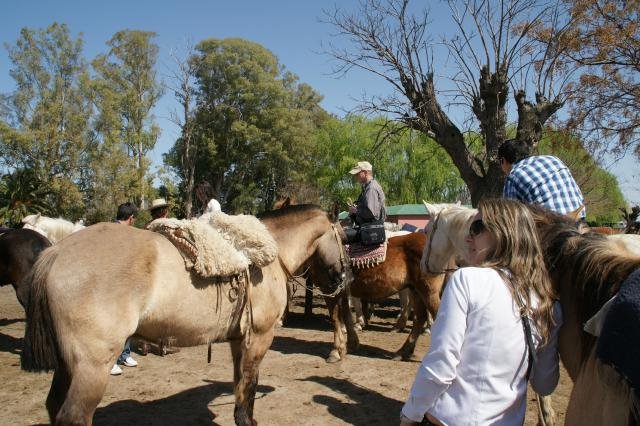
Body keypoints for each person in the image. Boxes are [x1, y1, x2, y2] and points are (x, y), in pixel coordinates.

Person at [400, 198, 562, 426]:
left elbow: (441, 365)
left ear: (502, 233)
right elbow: (545, 384)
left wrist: (411, 414)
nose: (467, 237)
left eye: (476, 228)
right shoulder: (549, 302)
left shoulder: (467, 279)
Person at [498, 138, 585, 219]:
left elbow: (510, 217)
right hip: (579, 217)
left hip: (552, 226)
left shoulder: (513, 175)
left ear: (503, 160)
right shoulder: (554, 159)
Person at [111, 202, 139, 376]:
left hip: (125, 283)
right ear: (131, 218)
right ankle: (111, 360)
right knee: (115, 324)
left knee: (128, 322)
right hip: (114, 285)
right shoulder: (113, 233)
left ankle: (124, 354)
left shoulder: (126, 233)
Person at [345, 161, 386, 243]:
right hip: (368, 227)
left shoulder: (371, 188)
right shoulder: (368, 187)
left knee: (341, 236)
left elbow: (370, 213)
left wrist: (355, 211)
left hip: (371, 229)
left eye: (357, 174)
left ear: (365, 172)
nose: (356, 176)